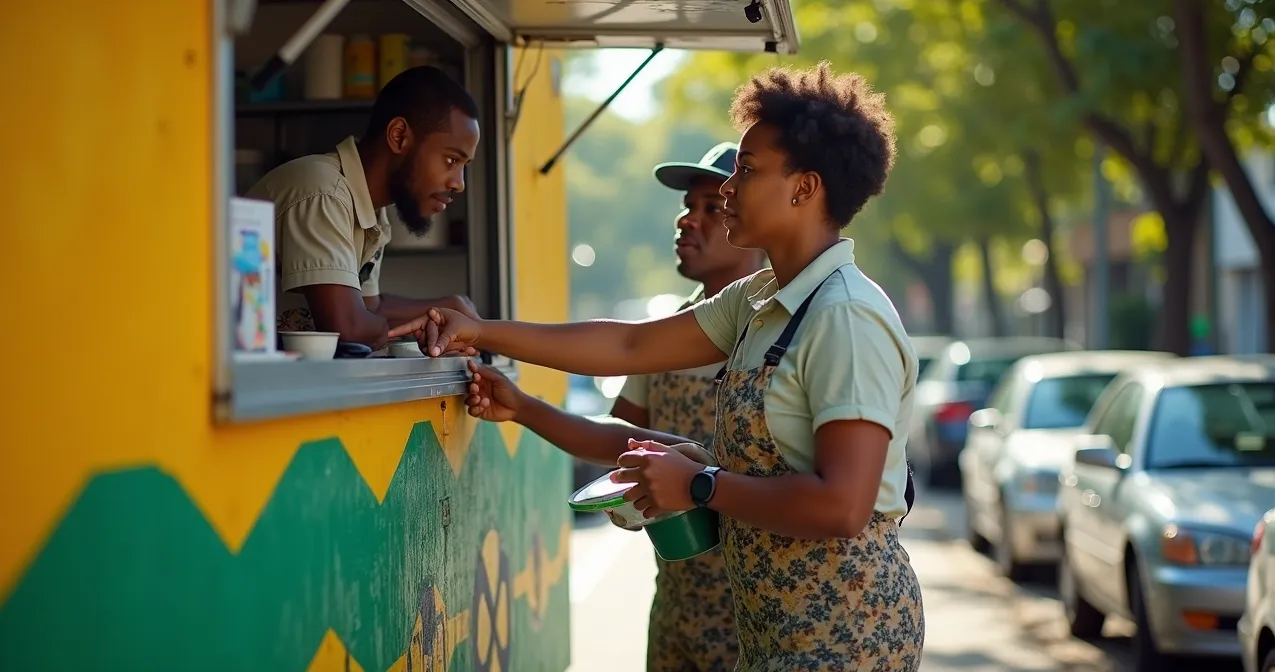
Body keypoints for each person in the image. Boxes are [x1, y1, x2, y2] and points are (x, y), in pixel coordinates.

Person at [397, 61, 925, 670]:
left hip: (845, 637)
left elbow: (843, 505)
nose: (727, 191)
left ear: (804, 188)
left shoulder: (846, 317)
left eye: (746, 172)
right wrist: (483, 331)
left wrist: (700, 483)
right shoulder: (759, 302)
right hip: (776, 630)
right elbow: (630, 347)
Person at [465, 142, 762, 671]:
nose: (687, 220)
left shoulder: (777, 328)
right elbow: (621, 438)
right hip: (677, 603)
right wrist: (525, 408)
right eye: (686, 206)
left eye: (710, 208)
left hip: (751, 615)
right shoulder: (675, 328)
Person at [246, 66, 480, 354]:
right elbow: (349, 329)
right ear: (398, 136)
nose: (459, 184)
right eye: (451, 160)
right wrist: (422, 330)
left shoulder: (371, 208)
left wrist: (446, 310)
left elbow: (371, 307)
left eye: (463, 166)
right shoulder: (323, 192)